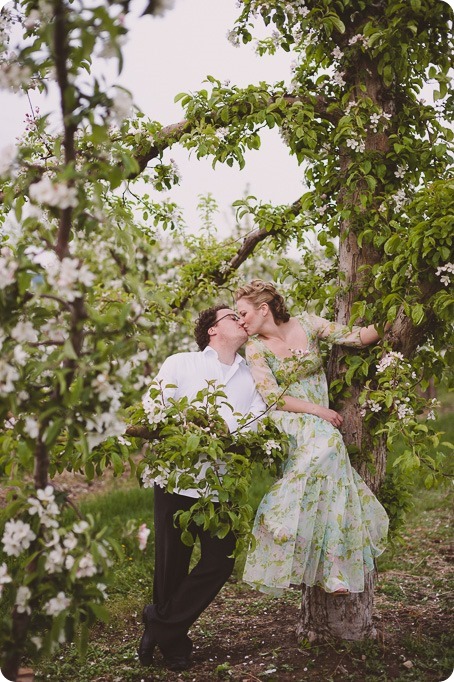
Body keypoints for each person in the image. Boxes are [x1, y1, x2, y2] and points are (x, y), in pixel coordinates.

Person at [234, 280, 389, 596]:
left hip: (319, 422)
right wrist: (317, 410)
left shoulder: (307, 322)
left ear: (263, 308)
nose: (240, 321)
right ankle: (276, 517)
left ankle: (334, 570)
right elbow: (273, 396)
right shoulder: (255, 348)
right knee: (330, 444)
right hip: (290, 417)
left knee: (333, 466)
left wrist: (395, 318)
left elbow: (356, 337)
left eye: (243, 313)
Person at [138, 305, 266, 671]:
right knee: (171, 568)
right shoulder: (181, 363)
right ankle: (175, 644)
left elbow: (256, 419)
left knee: (220, 562)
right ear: (212, 329)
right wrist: (194, 427)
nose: (241, 320)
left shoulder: (251, 374)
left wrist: (224, 433)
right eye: (231, 317)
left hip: (220, 487)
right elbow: (155, 406)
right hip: (177, 479)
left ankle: (159, 624)